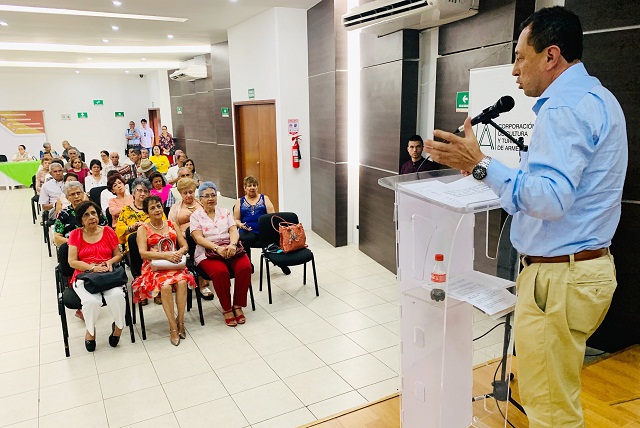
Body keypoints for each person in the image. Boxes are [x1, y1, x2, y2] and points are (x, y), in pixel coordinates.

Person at [424, 7, 626, 427]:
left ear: (551, 56)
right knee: (558, 397)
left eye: (520, 57)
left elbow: (550, 200)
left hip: (559, 280)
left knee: (550, 410)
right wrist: (485, 168)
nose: (514, 70)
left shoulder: (563, 108)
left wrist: (480, 164)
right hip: (583, 273)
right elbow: (552, 188)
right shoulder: (598, 98)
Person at [133, 195, 195, 345]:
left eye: (159, 206)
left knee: (181, 282)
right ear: (147, 212)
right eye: (152, 208)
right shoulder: (143, 229)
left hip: (174, 263)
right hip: (154, 267)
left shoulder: (172, 224)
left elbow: (185, 245)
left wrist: (178, 253)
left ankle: (180, 321)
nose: (157, 210)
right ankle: (172, 327)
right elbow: (143, 253)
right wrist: (166, 255)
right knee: (166, 286)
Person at [191, 182, 252, 327]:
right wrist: (217, 248)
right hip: (208, 252)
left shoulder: (225, 212)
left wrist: (232, 244)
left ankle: (237, 305)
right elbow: (198, 238)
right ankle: (226, 308)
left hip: (230, 248)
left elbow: (233, 230)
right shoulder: (195, 216)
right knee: (220, 272)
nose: (211, 198)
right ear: (200, 199)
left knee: (245, 267)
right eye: (206, 196)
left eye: (213, 195)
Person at [68, 201, 126, 352]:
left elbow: (118, 255)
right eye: (86, 215)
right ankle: (90, 331)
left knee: (117, 295)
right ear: (81, 220)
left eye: (93, 213)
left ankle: (119, 327)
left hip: (108, 274)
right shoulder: (76, 234)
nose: (91, 217)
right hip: (84, 276)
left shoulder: (108, 231)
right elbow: (72, 261)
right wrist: (92, 267)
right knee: (91, 302)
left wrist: (109, 262)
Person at [233, 175, 289, 275]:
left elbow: (272, 216)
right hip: (247, 230)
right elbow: (236, 219)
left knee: (272, 240)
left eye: (254, 185)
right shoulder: (240, 201)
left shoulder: (264, 198)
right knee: (244, 239)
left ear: (257, 187)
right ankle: (248, 265)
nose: (252, 187)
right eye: (249, 185)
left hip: (263, 229)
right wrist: (240, 225)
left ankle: (281, 263)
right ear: (245, 188)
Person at [168, 177, 213, 299]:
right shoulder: (175, 208)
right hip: (184, 238)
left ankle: (207, 275)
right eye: (185, 193)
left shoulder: (202, 204)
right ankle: (202, 284)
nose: (189, 195)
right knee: (194, 243)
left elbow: (211, 219)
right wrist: (184, 236)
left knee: (201, 242)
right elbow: (172, 227)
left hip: (204, 236)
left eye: (191, 192)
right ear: (180, 194)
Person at [54, 181, 107, 246]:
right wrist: (75, 243)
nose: (76, 196)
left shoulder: (94, 210)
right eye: (72, 194)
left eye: (78, 193)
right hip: (73, 247)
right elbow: (57, 238)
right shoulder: (63, 214)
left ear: (83, 194)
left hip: (97, 244)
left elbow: (106, 228)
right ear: (67, 197)